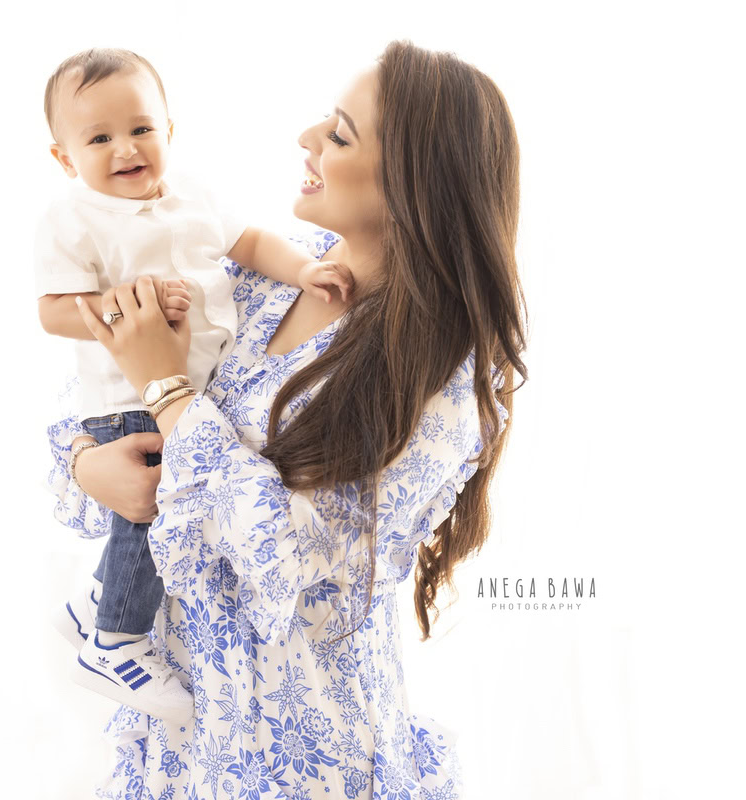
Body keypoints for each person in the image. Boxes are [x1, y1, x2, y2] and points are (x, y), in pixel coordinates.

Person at [47, 40, 527, 799]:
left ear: (411, 182)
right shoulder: (259, 275)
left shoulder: (442, 381)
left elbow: (284, 559)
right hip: (180, 742)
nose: (307, 138)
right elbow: (103, 401)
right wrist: (85, 464)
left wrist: (170, 391)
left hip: (302, 762)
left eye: (339, 134)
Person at [35, 48, 353, 723]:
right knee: (152, 508)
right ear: (65, 158)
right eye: (98, 138)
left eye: (141, 129)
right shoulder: (73, 221)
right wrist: (122, 312)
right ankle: (114, 637)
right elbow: (52, 309)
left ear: (169, 131)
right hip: (128, 398)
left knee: (152, 507)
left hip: (192, 389)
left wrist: (303, 271)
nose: (125, 149)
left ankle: (95, 600)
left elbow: (252, 244)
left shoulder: (196, 197)